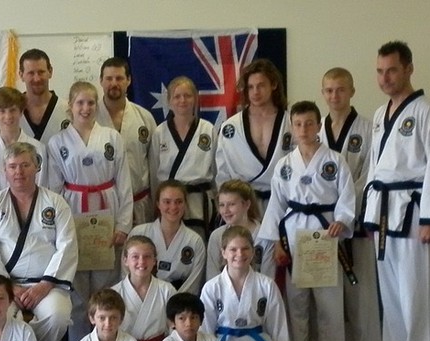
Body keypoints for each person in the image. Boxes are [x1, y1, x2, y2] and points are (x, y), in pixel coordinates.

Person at [363, 41, 430, 341]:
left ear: (409, 69)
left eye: (392, 70)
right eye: (380, 71)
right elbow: (375, 169)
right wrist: (371, 216)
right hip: (386, 212)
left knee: (419, 293)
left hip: (416, 211)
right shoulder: (379, 115)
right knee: (393, 295)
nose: (385, 78)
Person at [260, 100, 355, 341]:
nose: (303, 129)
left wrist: (343, 219)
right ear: (292, 127)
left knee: (329, 300)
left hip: (326, 232)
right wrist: (276, 242)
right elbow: (276, 204)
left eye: (309, 123)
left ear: (318, 125)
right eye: (298, 124)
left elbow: (347, 195)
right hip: (294, 233)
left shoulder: (334, 160)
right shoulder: (285, 165)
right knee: (297, 300)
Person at [0, 142, 77, 341]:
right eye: (12, 166)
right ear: (5, 171)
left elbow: (67, 246)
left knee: (58, 316)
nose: (18, 172)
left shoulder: (56, 203)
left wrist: (44, 285)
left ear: (36, 167)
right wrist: (9, 287)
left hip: (47, 284)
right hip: (6, 284)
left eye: (25, 165)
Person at [48, 81, 133, 341]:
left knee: (105, 291)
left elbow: (124, 183)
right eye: (80, 103)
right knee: (76, 296)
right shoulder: (57, 142)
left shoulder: (112, 137)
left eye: (91, 102)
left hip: (106, 212)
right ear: (70, 106)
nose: (86, 108)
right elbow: (51, 189)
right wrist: (55, 230)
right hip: (72, 213)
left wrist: (123, 224)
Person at [319, 67, 381, 341]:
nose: (334, 96)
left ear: (352, 91)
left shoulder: (369, 128)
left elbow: (369, 175)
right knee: (324, 289)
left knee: (361, 288)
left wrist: (344, 210)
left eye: (340, 89)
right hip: (322, 224)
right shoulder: (315, 130)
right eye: (329, 90)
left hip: (355, 220)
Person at [201, 226, 297, 341]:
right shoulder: (212, 287)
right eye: (233, 249)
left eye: (245, 249)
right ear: (223, 253)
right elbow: (205, 331)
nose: (240, 254)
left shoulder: (266, 285)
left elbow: (279, 329)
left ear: (253, 252)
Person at [215, 59, 292, 212]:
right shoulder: (231, 127)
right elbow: (223, 173)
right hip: (243, 205)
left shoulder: (291, 123)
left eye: (261, 85)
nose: (255, 92)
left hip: (283, 200)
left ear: (274, 85)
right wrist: (227, 206)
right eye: (251, 87)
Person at [150, 76, 217, 236]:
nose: (182, 100)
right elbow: (153, 173)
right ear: (169, 101)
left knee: (199, 245)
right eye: (177, 96)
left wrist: (217, 200)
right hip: (169, 203)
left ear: (195, 99)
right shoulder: (160, 132)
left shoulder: (207, 129)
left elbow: (216, 171)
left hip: (199, 203)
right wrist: (156, 203)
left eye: (187, 95)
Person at [97, 57, 157, 225]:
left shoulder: (144, 118)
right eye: (109, 78)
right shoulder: (90, 118)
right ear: (101, 81)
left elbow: (154, 164)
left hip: (140, 203)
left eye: (119, 78)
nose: (114, 83)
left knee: (140, 250)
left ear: (129, 80)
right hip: (104, 204)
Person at [0, 87, 52, 206]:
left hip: (32, 212)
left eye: (13, 110)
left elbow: (42, 186)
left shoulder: (38, 148)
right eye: (2, 111)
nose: (8, 116)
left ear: (21, 112)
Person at [110, 236, 176, 341]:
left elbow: (175, 328)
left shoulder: (166, 290)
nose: (141, 261)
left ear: (154, 261)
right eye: (135, 256)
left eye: (147, 257)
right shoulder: (114, 293)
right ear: (125, 260)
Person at [130, 180, 206, 295]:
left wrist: (174, 307)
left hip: (179, 305)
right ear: (158, 204)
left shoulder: (195, 241)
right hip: (142, 296)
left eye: (179, 202)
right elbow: (127, 272)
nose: (173, 207)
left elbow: (193, 284)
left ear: (185, 204)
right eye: (167, 202)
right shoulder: (139, 233)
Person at [206, 180, 275, 280]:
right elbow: (212, 277)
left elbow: (268, 278)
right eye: (222, 205)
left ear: (246, 204)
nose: (225, 211)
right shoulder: (217, 236)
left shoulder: (264, 236)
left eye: (231, 204)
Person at [18, 49, 69, 145]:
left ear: (50, 72)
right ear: (21, 75)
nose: (37, 79)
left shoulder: (68, 110)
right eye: (31, 73)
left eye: (41, 72)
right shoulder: (12, 112)